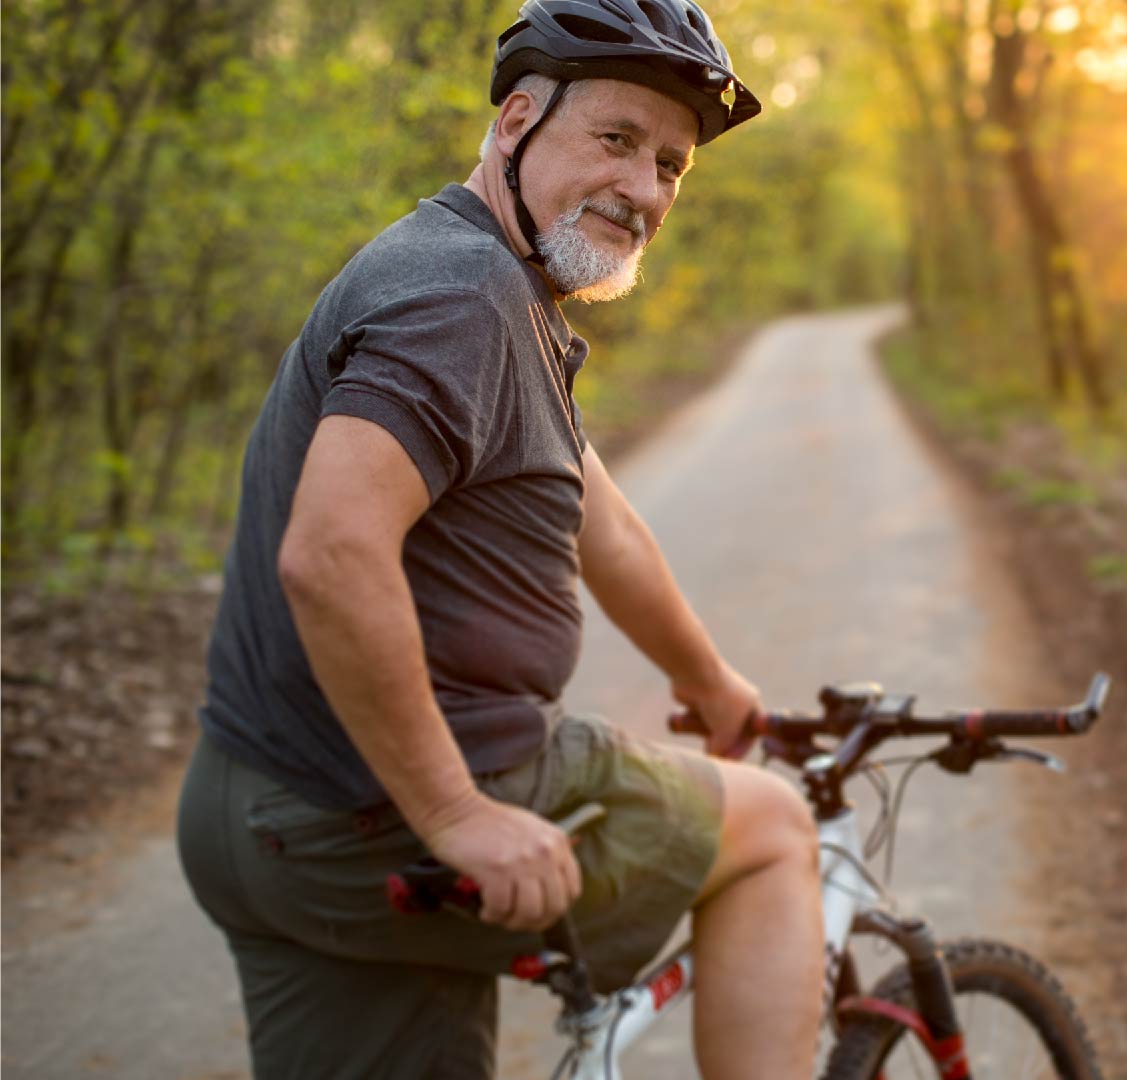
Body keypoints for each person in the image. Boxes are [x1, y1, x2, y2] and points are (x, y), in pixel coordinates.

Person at [175, 2, 824, 1076]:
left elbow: (596, 516)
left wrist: (708, 680)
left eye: (670, 165)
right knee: (772, 833)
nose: (646, 190)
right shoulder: (464, 297)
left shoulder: (479, 279)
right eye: (616, 140)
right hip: (378, 812)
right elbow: (331, 555)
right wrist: (454, 811)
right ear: (517, 120)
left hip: (257, 818)